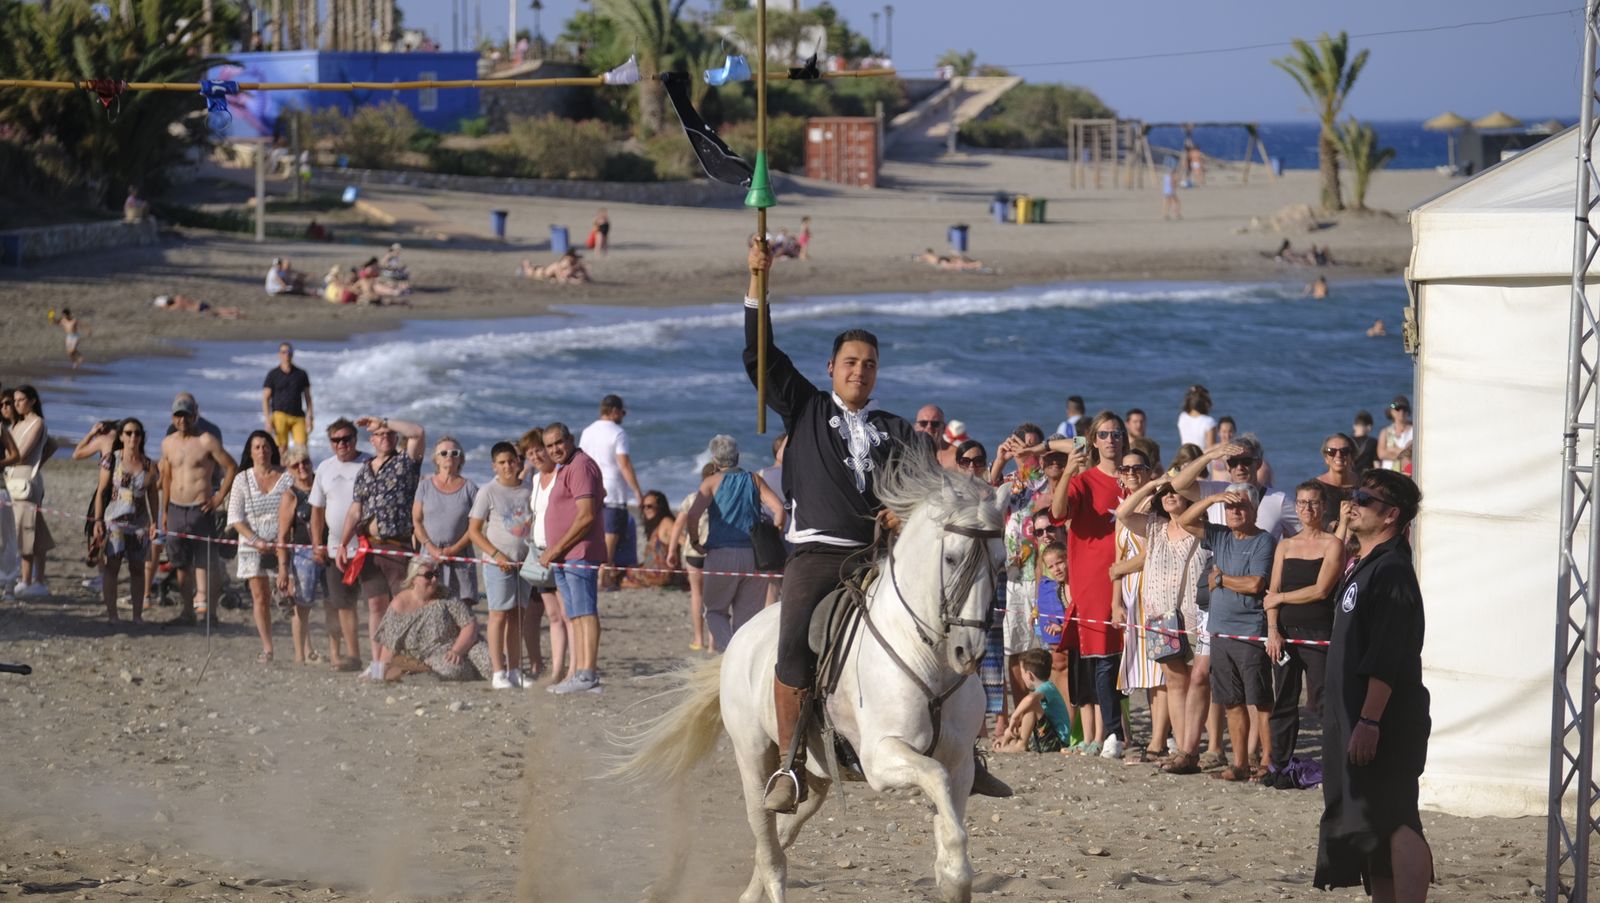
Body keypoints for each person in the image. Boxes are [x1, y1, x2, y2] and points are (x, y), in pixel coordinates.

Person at [743, 240, 1004, 813]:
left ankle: (966, 748)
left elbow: (931, 490)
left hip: (880, 555)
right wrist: (758, 281)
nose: (859, 371)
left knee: (948, 623)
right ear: (831, 369)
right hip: (817, 556)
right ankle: (788, 761)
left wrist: (905, 513)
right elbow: (760, 356)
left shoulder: (897, 429)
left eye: (869, 364)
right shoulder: (806, 409)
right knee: (793, 644)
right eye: (850, 362)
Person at [1314, 470, 1432, 899]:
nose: (1353, 504)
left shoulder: (1393, 570)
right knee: (1370, 826)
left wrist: (1369, 720)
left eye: (1364, 499)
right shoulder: (1366, 563)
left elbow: (1389, 654)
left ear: (1391, 515)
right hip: (1355, 717)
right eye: (1353, 495)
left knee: (1398, 819)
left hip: (1385, 720)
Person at [1176, 482, 1276, 782]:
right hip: (1219, 631)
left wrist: (1221, 580)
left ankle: (1268, 761)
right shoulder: (1220, 535)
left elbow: (1255, 584)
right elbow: (1185, 521)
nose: (1234, 511)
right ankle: (1240, 763)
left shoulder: (1264, 541)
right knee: (1231, 701)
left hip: (1249, 631)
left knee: (1259, 702)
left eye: (1241, 505)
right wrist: (1214, 499)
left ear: (1254, 509)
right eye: (1230, 506)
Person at [1114, 473, 1211, 774]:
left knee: (1199, 681)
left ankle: (1198, 748)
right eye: (1164, 493)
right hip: (1159, 615)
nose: (1169, 495)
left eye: (1175, 491)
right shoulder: (1154, 526)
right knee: (1175, 681)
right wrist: (1150, 486)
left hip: (1194, 614)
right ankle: (1183, 750)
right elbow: (1122, 513)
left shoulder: (1201, 526)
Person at [1045, 412, 1124, 757]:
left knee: (1141, 657)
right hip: (1095, 579)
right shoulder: (1084, 480)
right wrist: (1067, 472)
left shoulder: (1134, 476)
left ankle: (1157, 737)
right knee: (1102, 657)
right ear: (1094, 440)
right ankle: (1112, 733)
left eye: (1116, 434)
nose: (1111, 440)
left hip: (1136, 575)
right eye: (1103, 434)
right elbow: (1057, 513)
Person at [1263, 481, 1346, 787]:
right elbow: (1272, 592)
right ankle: (1280, 765)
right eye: (1301, 502)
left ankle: (1336, 765)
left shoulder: (1333, 545)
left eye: (1313, 503)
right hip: (1284, 634)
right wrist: (1273, 630)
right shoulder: (1285, 545)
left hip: (1318, 632)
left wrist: (1281, 598)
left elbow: (1321, 590)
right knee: (1284, 700)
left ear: (1323, 507)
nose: (1307, 508)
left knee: (1324, 700)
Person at [336, 414, 426, 679]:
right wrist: (343, 543)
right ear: (372, 441)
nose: (385, 437)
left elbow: (418, 432)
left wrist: (384, 421)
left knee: (403, 606)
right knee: (376, 605)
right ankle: (377, 664)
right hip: (371, 547)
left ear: (395, 437)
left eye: (389, 434)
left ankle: (399, 661)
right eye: (379, 434)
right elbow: (355, 510)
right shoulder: (364, 469)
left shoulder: (406, 462)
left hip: (399, 546)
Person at [683, 435, 786, 650]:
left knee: (715, 612)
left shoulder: (711, 482)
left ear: (714, 459)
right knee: (746, 619)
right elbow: (778, 509)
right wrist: (773, 534)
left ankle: (728, 652)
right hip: (753, 554)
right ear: (737, 456)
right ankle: (740, 656)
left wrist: (695, 540)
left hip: (721, 553)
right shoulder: (753, 479)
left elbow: (693, 515)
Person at [538, 423, 607, 694]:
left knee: (585, 611)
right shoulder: (564, 467)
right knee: (574, 614)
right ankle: (579, 673)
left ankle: (588, 674)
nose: (555, 449)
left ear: (571, 439)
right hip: (565, 556)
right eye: (549, 445)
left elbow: (586, 515)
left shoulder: (580, 466)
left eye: (559, 442)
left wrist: (555, 549)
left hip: (579, 553)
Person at [158, 394, 238, 624]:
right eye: (178, 415)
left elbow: (231, 467)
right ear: (172, 417)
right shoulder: (168, 443)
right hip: (176, 509)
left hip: (200, 510)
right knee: (181, 564)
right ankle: (187, 612)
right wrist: (165, 511)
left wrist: (218, 498)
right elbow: (166, 478)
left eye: (186, 415)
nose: (182, 420)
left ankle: (211, 614)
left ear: (195, 414)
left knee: (207, 563)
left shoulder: (206, 441)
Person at [1110, 448, 1168, 764]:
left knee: (1159, 668)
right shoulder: (1124, 508)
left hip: (1154, 592)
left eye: (1138, 468)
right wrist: (1115, 602)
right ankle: (1158, 737)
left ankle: (1160, 740)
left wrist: (1120, 569)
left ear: (1148, 471)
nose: (1131, 473)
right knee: (1145, 670)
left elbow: (1154, 552)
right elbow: (1117, 559)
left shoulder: (1155, 505)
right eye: (1126, 469)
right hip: (1132, 597)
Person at [468, 441, 534, 689]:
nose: (508, 466)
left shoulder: (528, 490)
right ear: (494, 466)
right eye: (502, 462)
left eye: (511, 461)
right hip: (498, 564)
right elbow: (474, 531)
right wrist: (497, 555)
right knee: (498, 614)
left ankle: (515, 670)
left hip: (524, 563)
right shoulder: (488, 491)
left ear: (518, 462)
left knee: (518, 616)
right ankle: (498, 672)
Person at [308, 418, 371, 671]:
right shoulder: (324, 468)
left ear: (355, 439)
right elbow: (316, 511)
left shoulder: (369, 463)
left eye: (346, 439)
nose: (342, 444)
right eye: (336, 440)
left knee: (375, 604)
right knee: (344, 604)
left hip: (368, 547)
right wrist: (316, 544)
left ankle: (382, 657)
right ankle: (354, 656)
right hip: (336, 550)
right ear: (331, 443)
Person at [373, 558, 493, 681]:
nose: (434, 579)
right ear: (413, 579)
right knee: (450, 669)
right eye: (428, 576)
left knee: (491, 661)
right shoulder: (399, 605)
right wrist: (378, 674)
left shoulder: (446, 595)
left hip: (462, 646)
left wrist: (457, 650)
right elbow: (389, 646)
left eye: (436, 574)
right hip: (433, 658)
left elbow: (469, 624)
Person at [227, 430, 288, 663]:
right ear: (250, 453)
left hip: (282, 543)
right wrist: (256, 541)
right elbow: (235, 517)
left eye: (265, 446)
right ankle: (268, 648)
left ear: (272, 449)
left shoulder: (287, 476)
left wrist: (281, 540)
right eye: (257, 447)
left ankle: (301, 648)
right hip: (252, 545)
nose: (262, 451)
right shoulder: (241, 479)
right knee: (260, 597)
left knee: (290, 595)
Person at [92, 419, 157, 624]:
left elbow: (153, 495)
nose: (133, 437)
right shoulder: (111, 459)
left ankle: (137, 616)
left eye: (137, 433)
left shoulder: (149, 465)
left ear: (142, 437)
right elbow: (101, 491)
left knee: (137, 568)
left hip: (139, 523)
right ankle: (113, 615)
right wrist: (98, 521)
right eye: (128, 433)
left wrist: (155, 522)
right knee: (112, 567)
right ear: (121, 436)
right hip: (114, 522)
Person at [1172, 434, 1299, 539]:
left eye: (1246, 462)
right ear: (1228, 467)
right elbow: (1178, 485)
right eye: (1233, 462)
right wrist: (1210, 456)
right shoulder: (1216, 492)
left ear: (1258, 464)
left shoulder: (1279, 500)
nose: (1240, 468)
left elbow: (1304, 536)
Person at [580, 394, 645, 590]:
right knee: (611, 536)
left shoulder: (587, 431)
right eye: (622, 412)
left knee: (594, 533)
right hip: (613, 489)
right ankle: (604, 576)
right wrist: (637, 491)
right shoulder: (618, 432)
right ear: (614, 411)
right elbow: (623, 463)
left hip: (591, 488)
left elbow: (582, 461)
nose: (623, 415)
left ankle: (595, 573)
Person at [523, 427, 572, 683]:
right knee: (553, 615)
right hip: (540, 553)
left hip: (561, 551)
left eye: (538, 450)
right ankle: (556, 671)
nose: (535, 456)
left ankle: (574, 669)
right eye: (530, 453)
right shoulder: (535, 480)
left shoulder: (562, 475)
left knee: (568, 614)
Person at [412, 436, 478, 606]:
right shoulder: (424, 486)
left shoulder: (470, 488)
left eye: (454, 453)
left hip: (460, 557)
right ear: (436, 459)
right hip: (429, 556)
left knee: (461, 610)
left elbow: (475, 527)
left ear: (461, 459)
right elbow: (417, 521)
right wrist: (431, 548)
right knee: (428, 605)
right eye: (444, 453)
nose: (449, 456)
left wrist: (452, 550)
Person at [6, 386, 54, 597]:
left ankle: (29, 580)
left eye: (20, 400)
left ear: (32, 400)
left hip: (26, 482)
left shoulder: (37, 423)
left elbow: (21, 454)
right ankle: (32, 579)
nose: (16, 404)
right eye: (14, 400)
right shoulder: (17, 424)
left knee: (26, 530)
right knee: (32, 529)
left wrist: (36, 464)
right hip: (13, 478)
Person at [274, 445, 320, 664]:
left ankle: (323, 652)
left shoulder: (322, 486)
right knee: (301, 607)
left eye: (305, 462)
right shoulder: (290, 496)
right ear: (289, 470)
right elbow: (282, 536)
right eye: (296, 465)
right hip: (303, 554)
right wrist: (283, 569)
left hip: (328, 551)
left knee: (332, 603)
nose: (302, 467)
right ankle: (299, 655)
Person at [669, 462, 719, 652]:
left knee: (697, 594)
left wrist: (671, 550)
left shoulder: (692, 498)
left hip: (693, 552)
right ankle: (713, 642)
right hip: (715, 551)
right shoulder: (722, 499)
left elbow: (678, 525)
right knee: (713, 597)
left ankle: (698, 639)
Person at [992, 648, 1073, 753]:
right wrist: (1008, 735)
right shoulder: (1040, 692)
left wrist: (1014, 717)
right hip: (1047, 737)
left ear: (1029, 675)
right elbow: (1029, 721)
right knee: (1012, 738)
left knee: (1031, 705)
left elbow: (1030, 699)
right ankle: (1015, 743)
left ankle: (1021, 745)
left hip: (1058, 742)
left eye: (1022, 673)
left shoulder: (1047, 687)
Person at [261, 343, 314, 452]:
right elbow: (266, 398)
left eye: (289, 352)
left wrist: (310, 417)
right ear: (279, 354)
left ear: (292, 354)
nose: (287, 355)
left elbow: (308, 398)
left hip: (298, 416)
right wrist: (267, 419)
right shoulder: (273, 374)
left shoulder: (301, 374)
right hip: (279, 414)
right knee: (281, 449)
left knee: (302, 449)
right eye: (284, 352)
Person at [623, 490, 678, 589]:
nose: (646, 510)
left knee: (622, 574)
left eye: (649, 506)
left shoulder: (666, 522)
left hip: (661, 575)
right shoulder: (658, 524)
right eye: (643, 507)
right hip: (655, 571)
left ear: (659, 507)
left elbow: (683, 540)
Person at [1314, 433, 1361, 529]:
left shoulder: (1365, 485)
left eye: (1344, 451)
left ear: (1352, 456)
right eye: (1331, 451)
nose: (1338, 455)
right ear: (1326, 458)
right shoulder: (1315, 488)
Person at [1377, 396, 1414, 475]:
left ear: (1408, 412)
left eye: (1404, 409)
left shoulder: (1415, 431)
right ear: (1392, 412)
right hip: (1387, 475)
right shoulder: (1385, 432)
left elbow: (1413, 454)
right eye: (1397, 409)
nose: (1401, 412)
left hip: (1407, 475)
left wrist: (1392, 449)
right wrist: (1403, 452)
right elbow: (1381, 454)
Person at [1177, 384, 1216, 450]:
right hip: (1202, 455)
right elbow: (1211, 449)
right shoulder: (1209, 422)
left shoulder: (1182, 417)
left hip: (1185, 454)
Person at [519, 250, 590, 283]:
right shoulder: (558, 265)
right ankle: (524, 267)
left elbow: (587, 277)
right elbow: (563, 279)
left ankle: (526, 266)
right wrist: (576, 280)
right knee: (530, 271)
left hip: (546, 273)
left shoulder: (572, 264)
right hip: (541, 274)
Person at [151, 294, 244, 319]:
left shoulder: (176, 305)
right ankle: (233, 310)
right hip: (200, 303)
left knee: (216, 313)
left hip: (198, 308)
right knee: (216, 310)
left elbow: (170, 308)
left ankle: (233, 314)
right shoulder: (178, 297)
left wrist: (165, 307)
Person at [1350, 411, 1379, 476]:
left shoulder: (1346, 441)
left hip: (1351, 477)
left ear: (1354, 426)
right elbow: (1376, 463)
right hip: (1367, 477)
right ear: (1369, 427)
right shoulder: (1373, 442)